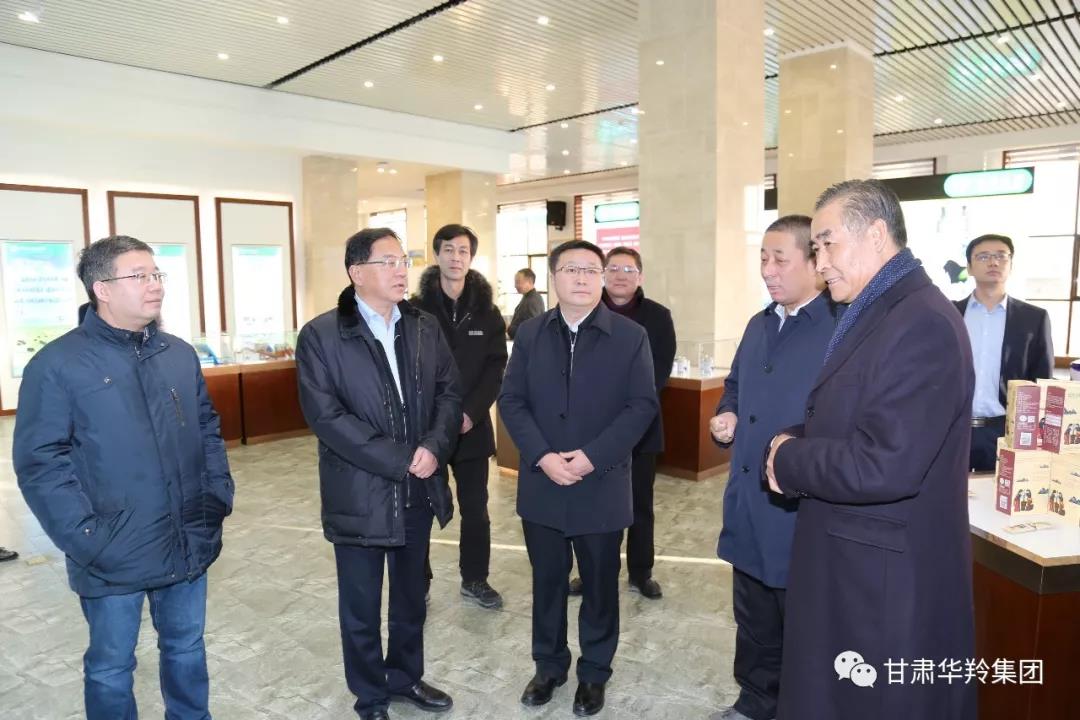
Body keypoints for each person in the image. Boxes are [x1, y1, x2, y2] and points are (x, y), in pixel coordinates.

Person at [765, 180, 977, 720]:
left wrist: (787, 459)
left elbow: (885, 463)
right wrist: (793, 436)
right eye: (815, 249)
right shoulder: (881, 309)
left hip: (880, 582)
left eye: (827, 245)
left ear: (877, 234)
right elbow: (855, 415)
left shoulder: (921, 322)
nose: (820, 264)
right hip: (854, 562)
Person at [14, 235, 234, 720]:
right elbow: (40, 462)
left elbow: (207, 429)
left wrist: (215, 497)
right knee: (111, 667)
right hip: (111, 549)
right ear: (103, 289)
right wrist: (86, 538)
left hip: (187, 536)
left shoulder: (178, 353)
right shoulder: (57, 365)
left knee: (186, 648)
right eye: (139, 276)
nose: (155, 285)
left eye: (157, 274)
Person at [295, 227, 461, 720]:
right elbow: (327, 417)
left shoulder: (424, 326)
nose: (400, 270)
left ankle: (405, 678)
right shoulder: (322, 335)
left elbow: (449, 392)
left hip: (418, 485)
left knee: (411, 600)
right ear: (357, 272)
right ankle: (370, 696)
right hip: (360, 491)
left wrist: (433, 447)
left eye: (403, 260)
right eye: (387, 261)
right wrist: (398, 457)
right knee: (361, 608)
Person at [498, 239, 658, 717]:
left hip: (601, 484)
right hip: (543, 482)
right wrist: (543, 456)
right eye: (572, 269)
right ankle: (548, 667)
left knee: (600, 586)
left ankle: (594, 672)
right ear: (554, 278)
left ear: (602, 278)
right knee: (547, 583)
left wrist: (591, 457)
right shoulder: (531, 334)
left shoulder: (630, 336)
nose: (583, 278)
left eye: (592, 269)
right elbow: (512, 401)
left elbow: (641, 406)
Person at [707, 216, 836, 720]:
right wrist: (727, 413)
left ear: (815, 264)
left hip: (799, 507)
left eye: (780, 259)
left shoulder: (840, 327)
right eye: (763, 258)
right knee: (753, 615)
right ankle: (754, 700)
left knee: (800, 620)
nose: (768, 269)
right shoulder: (759, 323)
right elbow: (735, 386)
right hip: (748, 499)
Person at [568, 246, 675, 599]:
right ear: (603, 274)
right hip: (591, 432)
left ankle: (641, 572)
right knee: (594, 503)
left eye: (628, 270)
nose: (620, 276)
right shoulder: (585, 313)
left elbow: (657, 375)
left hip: (640, 431)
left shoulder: (658, 317)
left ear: (640, 277)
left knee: (639, 504)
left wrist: (622, 417)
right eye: (613, 268)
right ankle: (593, 572)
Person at [414, 223, 508, 609]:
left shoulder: (487, 312)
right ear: (437, 254)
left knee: (476, 511)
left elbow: (496, 367)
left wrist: (470, 412)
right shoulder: (414, 310)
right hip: (427, 430)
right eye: (449, 249)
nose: (456, 257)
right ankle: (417, 581)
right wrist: (439, 417)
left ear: (471, 258)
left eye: (463, 251)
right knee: (420, 510)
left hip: (472, 429)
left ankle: (475, 579)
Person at [954, 234, 1053, 471]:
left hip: (1005, 432)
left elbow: (1042, 380)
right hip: (953, 429)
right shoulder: (949, 313)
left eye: (1001, 256)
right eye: (983, 257)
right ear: (969, 267)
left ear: (1011, 265)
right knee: (947, 494)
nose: (993, 262)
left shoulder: (1034, 318)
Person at [507, 267, 545, 339]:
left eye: (518, 282)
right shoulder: (528, 297)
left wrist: (508, 328)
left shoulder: (532, 301)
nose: (515, 286)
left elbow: (530, 331)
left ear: (529, 282)